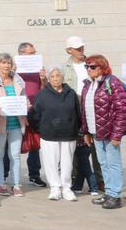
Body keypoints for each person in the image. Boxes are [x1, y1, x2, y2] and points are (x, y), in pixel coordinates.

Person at [80, 54, 125, 209]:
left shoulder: (112, 82)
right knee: (103, 163)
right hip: (95, 131)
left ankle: (116, 195)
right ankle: (109, 191)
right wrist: (86, 132)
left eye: (92, 66)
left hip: (110, 132)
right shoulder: (88, 84)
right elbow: (85, 110)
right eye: (87, 66)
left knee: (113, 163)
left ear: (102, 67)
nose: (89, 69)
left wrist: (117, 134)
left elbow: (122, 110)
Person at [29, 67, 80, 201]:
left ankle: (67, 188)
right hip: (49, 135)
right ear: (49, 79)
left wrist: (76, 128)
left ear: (62, 77)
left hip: (68, 134)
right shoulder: (42, 94)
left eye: (58, 76)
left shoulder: (71, 93)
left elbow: (78, 114)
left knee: (67, 163)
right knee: (51, 162)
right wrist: (41, 129)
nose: (55, 78)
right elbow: (34, 115)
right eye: (52, 76)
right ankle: (55, 188)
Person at [63, 36, 104, 191]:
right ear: (69, 50)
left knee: (95, 143)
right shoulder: (64, 67)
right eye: (77, 48)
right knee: (75, 144)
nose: (81, 51)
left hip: (92, 105)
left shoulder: (92, 64)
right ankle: (75, 179)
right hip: (75, 107)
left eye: (82, 48)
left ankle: (100, 179)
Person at [0, 52, 27, 197]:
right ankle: (1, 184)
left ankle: (16, 184)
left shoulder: (19, 81)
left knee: (15, 155)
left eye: (9, 62)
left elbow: (24, 99)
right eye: (3, 62)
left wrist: (26, 105)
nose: (6, 65)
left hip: (16, 123)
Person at [13, 43, 47, 188]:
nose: (34, 55)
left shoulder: (38, 70)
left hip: (34, 110)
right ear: (21, 54)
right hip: (16, 110)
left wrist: (44, 79)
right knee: (11, 143)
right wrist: (12, 73)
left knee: (34, 144)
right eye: (31, 53)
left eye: (34, 52)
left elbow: (44, 90)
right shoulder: (12, 69)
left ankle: (34, 175)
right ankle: (4, 174)